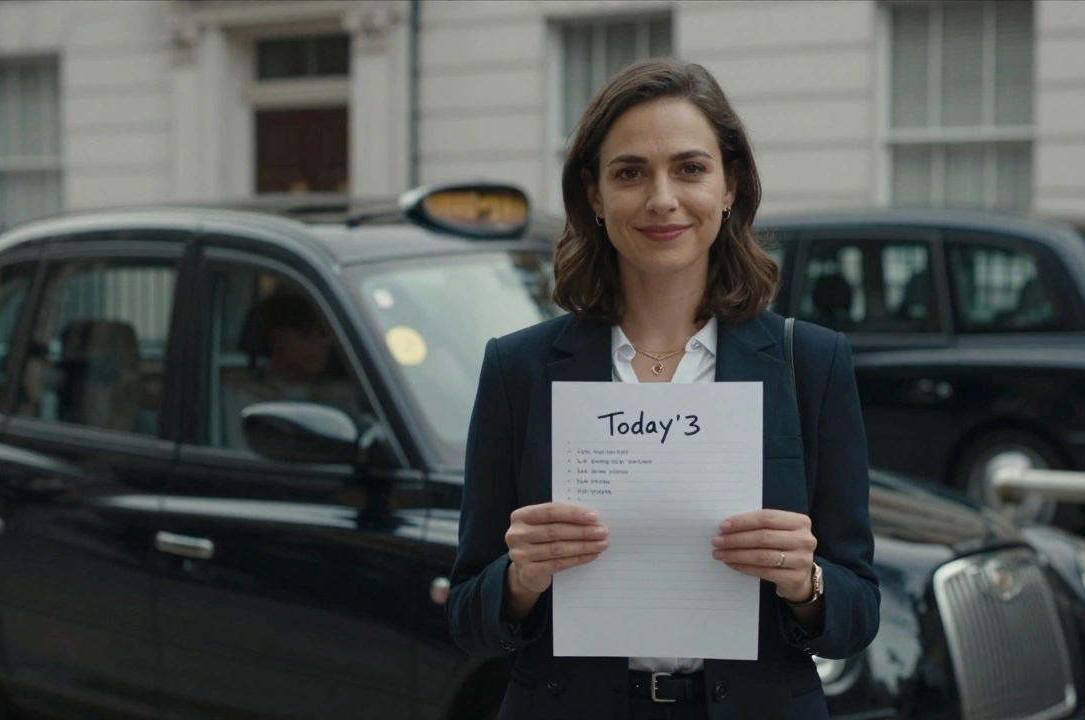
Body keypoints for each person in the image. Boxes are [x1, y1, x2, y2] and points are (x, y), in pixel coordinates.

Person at [447, 58, 879, 720]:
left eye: (690, 168)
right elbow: (468, 618)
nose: (662, 198)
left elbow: (859, 611)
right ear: (593, 195)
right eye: (630, 173)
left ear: (730, 185)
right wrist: (517, 581)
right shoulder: (520, 370)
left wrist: (807, 582)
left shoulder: (809, 363)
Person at [221, 292, 360, 450]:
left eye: (325, 335)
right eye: (308, 335)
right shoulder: (243, 398)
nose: (324, 344)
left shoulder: (342, 398)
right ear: (277, 337)